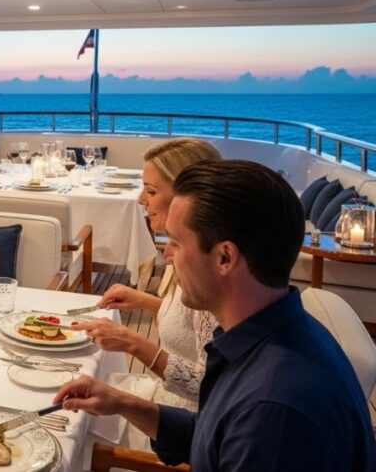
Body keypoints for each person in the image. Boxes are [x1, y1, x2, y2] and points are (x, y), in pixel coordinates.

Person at [54, 160, 375, 471]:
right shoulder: (277, 334)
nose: (166, 257)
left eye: (177, 244)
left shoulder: (273, 414)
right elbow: (219, 436)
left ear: (225, 257)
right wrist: (123, 403)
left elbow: (244, 434)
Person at [74, 138, 220, 448]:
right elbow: (188, 326)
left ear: (188, 197)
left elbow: (210, 386)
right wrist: (148, 302)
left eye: (151, 191)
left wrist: (133, 343)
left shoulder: (205, 272)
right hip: (162, 402)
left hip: (181, 430)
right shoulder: (188, 253)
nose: (142, 199)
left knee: (72, 428)